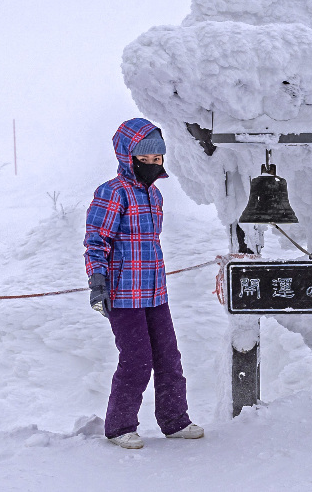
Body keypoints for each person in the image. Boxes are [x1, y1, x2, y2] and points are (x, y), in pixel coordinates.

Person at [84, 118, 204, 449]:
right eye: (145, 159)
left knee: (169, 357)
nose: (152, 165)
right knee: (137, 359)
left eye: (158, 159)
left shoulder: (155, 195)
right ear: (128, 156)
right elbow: (97, 240)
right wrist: (98, 281)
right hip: (123, 294)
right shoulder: (113, 192)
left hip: (155, 291)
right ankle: (120, 426)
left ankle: (175, 421)